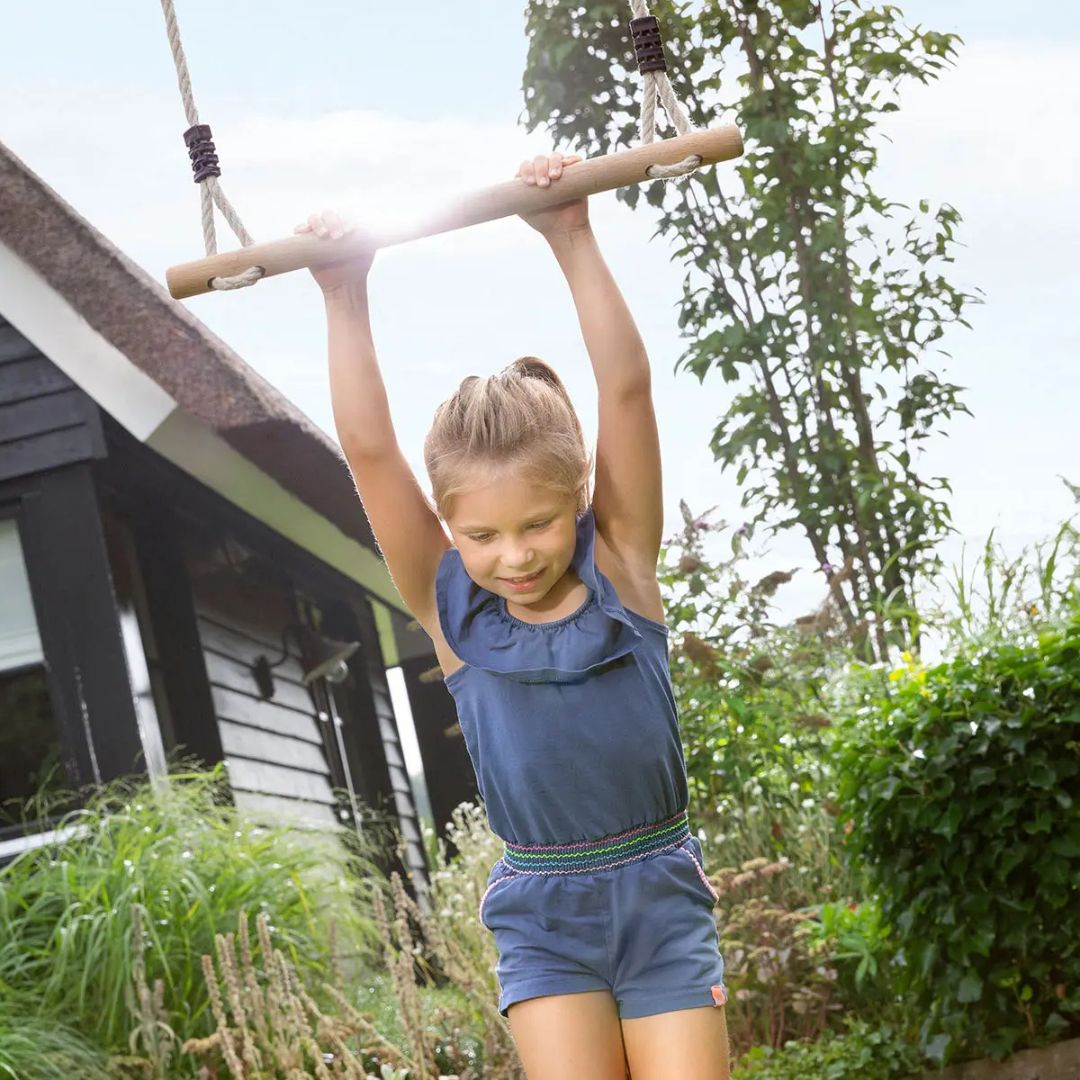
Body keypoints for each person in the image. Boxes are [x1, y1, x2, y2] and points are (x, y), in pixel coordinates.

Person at [299, 151, 730, 1080]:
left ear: (577, 497)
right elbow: (369, 451)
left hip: (660, 896)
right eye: (482, 536)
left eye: (537, 524)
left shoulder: (621, 565)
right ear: (450, 529)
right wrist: (343, 292)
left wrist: (571, 233)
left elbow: (625, 390)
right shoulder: (449, 604)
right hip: (545, 918)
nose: (516, 556)